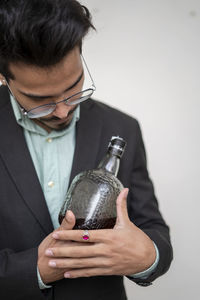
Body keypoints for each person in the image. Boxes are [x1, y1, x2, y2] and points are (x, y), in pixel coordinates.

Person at [0, 1, 173, 299]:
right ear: (3, 77)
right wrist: (37, 268)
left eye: (75, 87)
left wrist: (147, 255)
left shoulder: (124, 126)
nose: (64, 111)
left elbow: (152, 228)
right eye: (41, 101)